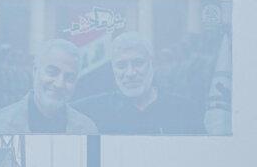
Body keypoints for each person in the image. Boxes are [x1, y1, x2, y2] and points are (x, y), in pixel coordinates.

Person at [75, 32, 203, 134]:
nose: (130, 73)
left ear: (152, 63)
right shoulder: (94, 110)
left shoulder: (185, 110)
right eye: (121, 65)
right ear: (112, 69)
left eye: (138, 63)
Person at [0, 38, 98, 134]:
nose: (59, 84)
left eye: (69, 77)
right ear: (35, 72)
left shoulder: (88, 129)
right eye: (52, 72)